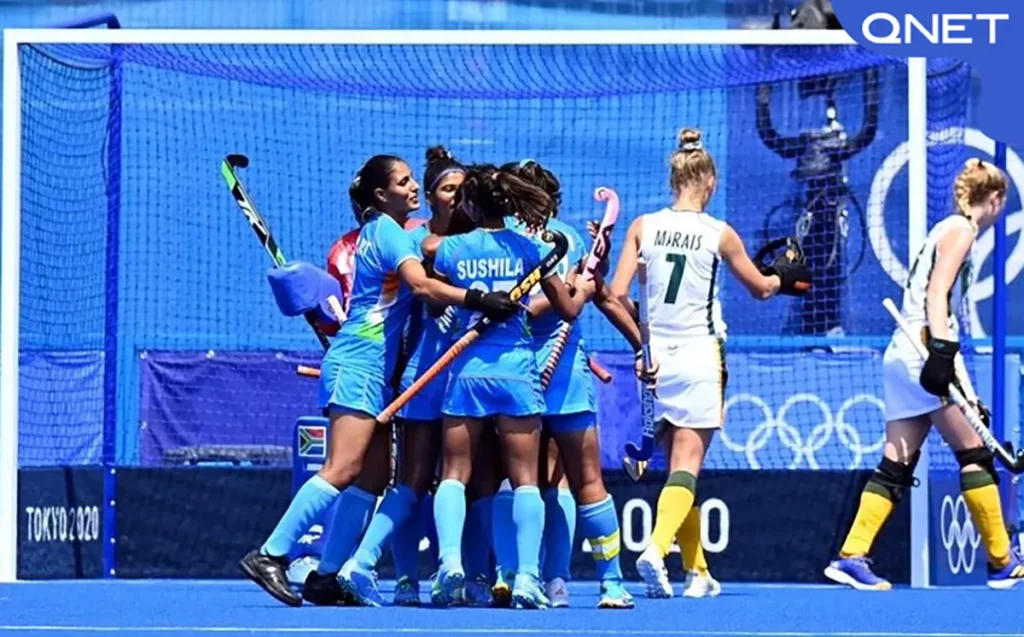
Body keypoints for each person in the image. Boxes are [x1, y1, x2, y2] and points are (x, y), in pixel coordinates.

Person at [240, 154, 519, 607]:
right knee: (344, 467)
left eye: (414, 181)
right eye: (404, 182)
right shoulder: (389, 232)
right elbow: (424, 288)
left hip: (375, 369)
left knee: (370, 479)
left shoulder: (389, 233)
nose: (413, 189)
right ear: (380, 195)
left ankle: (327, 576)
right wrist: (480, 298)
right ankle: (271, 553)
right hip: (358, 364)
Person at [609, 128, 810, 598]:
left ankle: (698, 571)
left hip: (657, 358)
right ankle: (656, 550)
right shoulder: (718, 232)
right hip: (701, 353)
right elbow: (760, 289)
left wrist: (643, 345)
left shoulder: (643, 225)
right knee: (687, 464)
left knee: (676, 469)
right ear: (710, 183)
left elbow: (616, 295)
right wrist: (783, 277)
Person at [824, 158, 1024, 591]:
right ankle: (1002, 560)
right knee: (974, 454)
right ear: (994, 199)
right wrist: (941, 353)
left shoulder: (943, 229)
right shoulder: (962, 230)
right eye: (1001, 206)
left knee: (895, 463)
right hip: (922, 350)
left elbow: (939, 306)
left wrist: (966, 392)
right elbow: (937, 296)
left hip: (903, 353)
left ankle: (850, 555)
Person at [425, 164, 595, 609]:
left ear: (469, 204)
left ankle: (450, 566)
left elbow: (425, 254)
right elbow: (568, 309)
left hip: (468, 373)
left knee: (455, 474)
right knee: (525, 480)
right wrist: (585, 285)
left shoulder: (453, 249)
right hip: (517, 374)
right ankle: (526, 578)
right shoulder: (531, 249)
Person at [503, 159, 643, 609]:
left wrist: (642, 345)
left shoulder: (507, 238)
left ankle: (535, 577)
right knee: (575, 481)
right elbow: (571, 300)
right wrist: (639, 343)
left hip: (528, 374)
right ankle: (603, 582)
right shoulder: (570, 238)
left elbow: (594, 293)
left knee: (535, 481)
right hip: (546, 377)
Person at [335, 146, 471, 607]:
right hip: (422, 374)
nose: (458, 197)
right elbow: (422, 292)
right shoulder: (410, 237)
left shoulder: (479, 239)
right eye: (448, 189)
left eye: (464, 189)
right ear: (432, 197)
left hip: (471, 377)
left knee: (471, 476)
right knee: (412, 478)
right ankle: (370, 565)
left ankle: (466, 571)